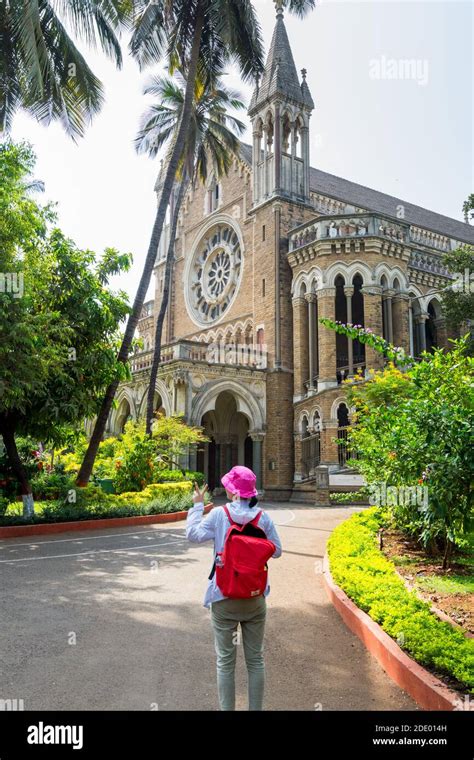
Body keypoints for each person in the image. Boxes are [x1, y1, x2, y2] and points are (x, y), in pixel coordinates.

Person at [186, 465, 282, 711]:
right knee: (256, 661)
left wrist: (197, 505)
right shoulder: (264, 518)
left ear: (234, 492)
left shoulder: (220, 515)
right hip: (254, 599)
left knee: (225, 662)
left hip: (224, 597)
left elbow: (193, 535)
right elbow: (278, 551)